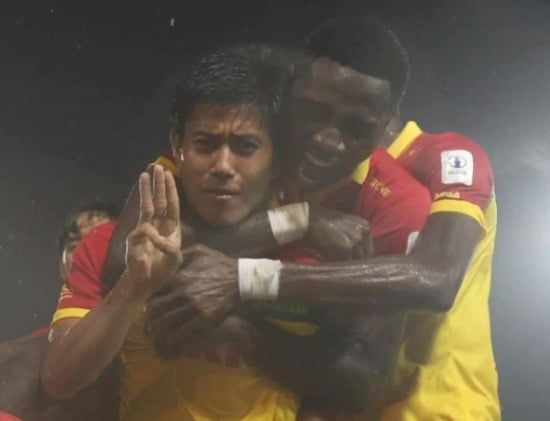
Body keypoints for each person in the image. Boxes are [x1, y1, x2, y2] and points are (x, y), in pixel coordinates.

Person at [146, 17, 500, 420]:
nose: (328, 139)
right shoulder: (283, 162)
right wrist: (301, 220)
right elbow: (144, 248)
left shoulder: (443, 162)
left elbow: (438, 279)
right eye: (314, 111)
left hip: (444, 408)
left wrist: (243, 279)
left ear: (386, 118)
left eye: (356, 126)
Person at [42, 45, 305, 421]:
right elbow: (58, 380)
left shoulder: (307, 252)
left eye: (245, 147)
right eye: (205, 143)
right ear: (177, 146)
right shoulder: (108, 245)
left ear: (277, 158)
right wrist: (134, 287)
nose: (222, 166)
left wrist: (240, 317)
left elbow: (353, 385)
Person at [0, 201, 118, 421]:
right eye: (75, 244)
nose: (85, 252)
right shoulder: (22, 354)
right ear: (62, 264)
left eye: (100, 241)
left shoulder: (152, 338)